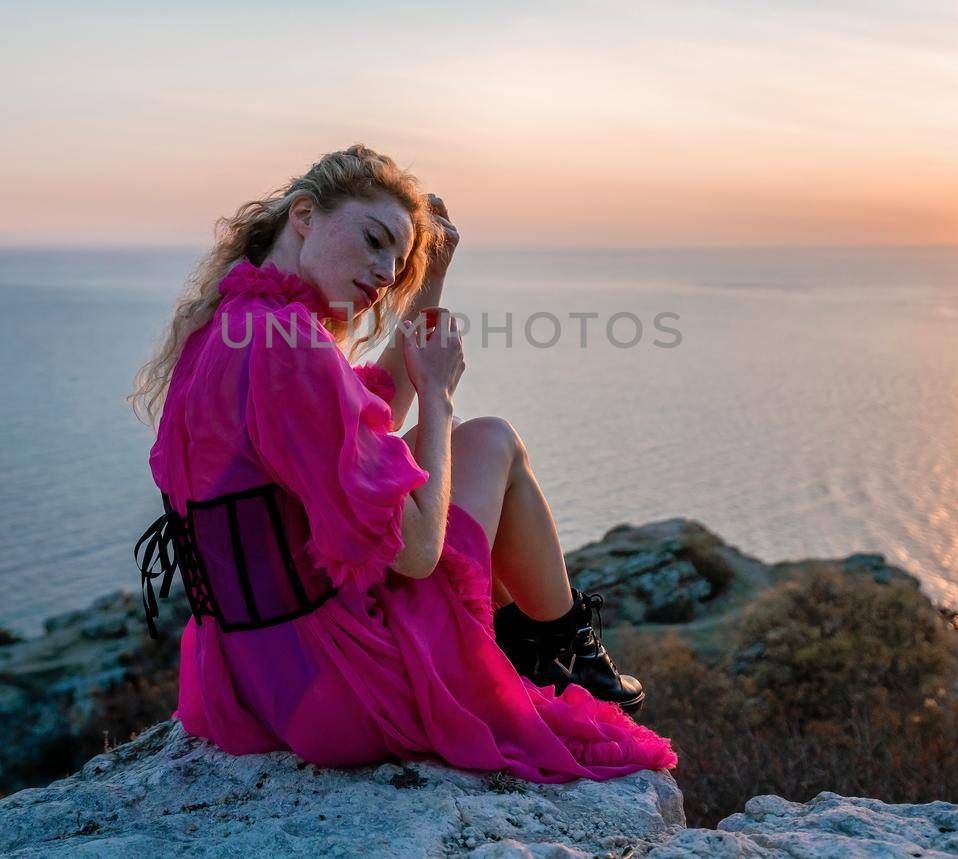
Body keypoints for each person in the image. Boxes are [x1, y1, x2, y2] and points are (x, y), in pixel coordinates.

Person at [128, 144, 676, 782]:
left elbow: (370, 408)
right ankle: (565, 654)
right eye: (373, 239)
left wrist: (433, 280)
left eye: (399, 259)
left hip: (249, 684)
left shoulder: (232, 325)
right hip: (343, 690)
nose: (387, 271)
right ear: (304, 214)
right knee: (491, 440)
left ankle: (548, 651)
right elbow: (415, 552)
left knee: (467, 447)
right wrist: (439, 398)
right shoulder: (293, 348)